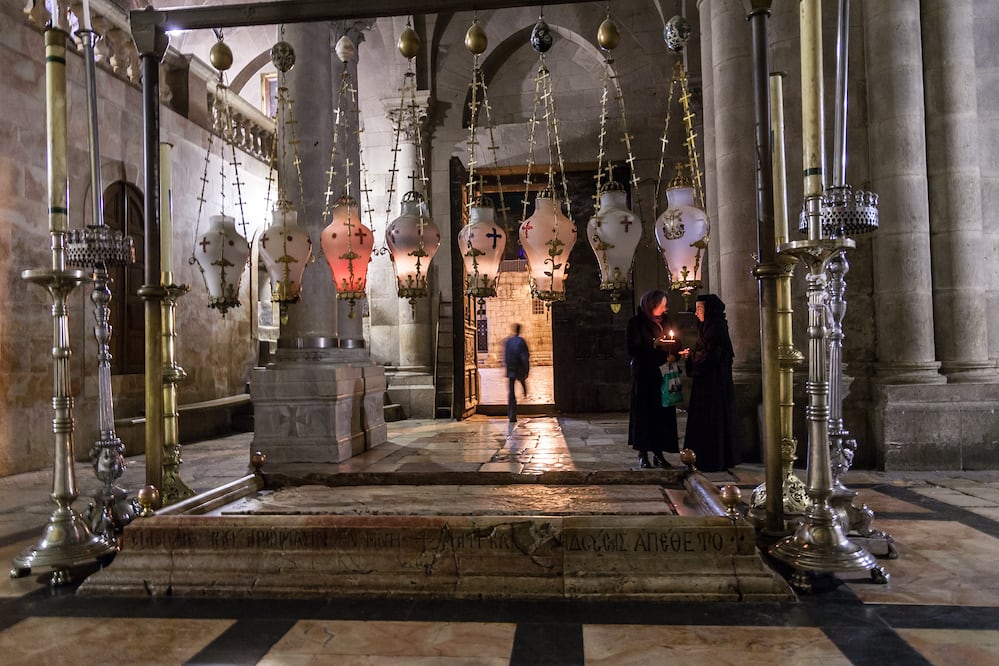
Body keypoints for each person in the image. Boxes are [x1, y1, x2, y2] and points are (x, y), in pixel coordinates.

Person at [679, 293, 739, 473]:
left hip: (715, 385)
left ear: (709, 309)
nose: (696, 313)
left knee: (714, 421)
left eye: (699, 308)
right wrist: (693, 355)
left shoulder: (717, 329)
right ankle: (702, 456)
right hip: (705, 383)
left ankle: (715, 458)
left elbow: (713, 356)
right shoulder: (705, 327)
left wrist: (693, 356)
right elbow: (703, 352)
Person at [626, 289, 680, 468]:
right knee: (645, 415)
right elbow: (632, 348)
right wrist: (653, 344)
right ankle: (643, 454)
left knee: (662, 415)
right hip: (645, 376)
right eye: (661, 305)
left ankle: (659, 453)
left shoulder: (667, 321)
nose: (664, 308)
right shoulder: (636, 323)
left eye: (665, 305)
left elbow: (677, 342)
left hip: (663, 374)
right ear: (651, 305)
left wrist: (674, 355)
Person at [503, 323, 530, 422]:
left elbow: (505, 356)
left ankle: (512, 415)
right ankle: (525, 390)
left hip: (510, 369)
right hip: (518, 369)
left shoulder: (508, 341)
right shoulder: (521, 341)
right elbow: (524, 357)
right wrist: (527, 369)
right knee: (521, 380)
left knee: (511, 393)